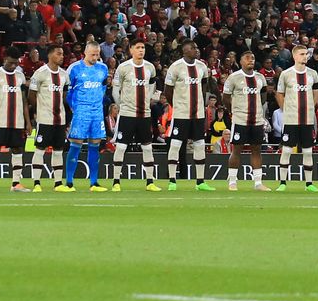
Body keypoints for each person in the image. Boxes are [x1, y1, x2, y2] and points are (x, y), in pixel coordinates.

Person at [109, 40, 160, 191]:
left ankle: (150, 182)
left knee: (147, 147)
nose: (141, 50)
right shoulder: (123, 68)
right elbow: (115, 89)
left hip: (144, 114)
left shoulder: (150, 67)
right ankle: (116, 182)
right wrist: (120, 106)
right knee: (121, 147)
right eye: (137, 47)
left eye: (143, 47)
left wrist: (148, 101)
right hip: (127, 114)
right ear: (131, 50)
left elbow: (152, 85)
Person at [162, 40, 213, 191]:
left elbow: (204, 85)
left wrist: (201, 103)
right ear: (185, 51)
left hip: (197, 114)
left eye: (197, 47)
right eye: (193, 48)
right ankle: (172, 180)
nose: (196, 50)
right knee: (175, 145)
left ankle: (200, 182)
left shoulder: (202, 66)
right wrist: (177, 106)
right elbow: (168, 91)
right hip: (181, 114)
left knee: (199, 145)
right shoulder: (176, 67)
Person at [64, 41, 110, 192]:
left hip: (97, 113)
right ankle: (69, 182)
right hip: (81, 112)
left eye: (97, 54)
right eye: (92, 54)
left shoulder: (103, 68)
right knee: (75, 144)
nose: (95, 57)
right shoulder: (75, 68)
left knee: (95, 146)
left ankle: (94, 183)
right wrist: (75, 109)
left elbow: (103, 88)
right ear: (85, 52)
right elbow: (68, 93)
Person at [276, 43, 318, 192]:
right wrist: (286, 109)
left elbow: (316, 92)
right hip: (291, 119)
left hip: (307, 119)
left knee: (308, 151)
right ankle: (282, 183)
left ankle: (309, 184)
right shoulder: (286, 74)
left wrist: (312, 106)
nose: (305, 56)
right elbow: (279, 94)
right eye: (302, 54)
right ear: (295, 56)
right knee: (287, 150)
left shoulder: (312, 74)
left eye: (306, 54)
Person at [0, 54, 31, 193]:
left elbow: (24, 101)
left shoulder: (20, 76)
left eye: (16, 63)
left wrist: (27, 122)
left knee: (17, 150)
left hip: (17, 122)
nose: (14, 66)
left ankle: (16, 183)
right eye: (11, 63)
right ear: (4, 60)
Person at [223, 50, 271, 191]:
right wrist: (234, 110)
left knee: (256, 150)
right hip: (240, 119)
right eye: (247, 58)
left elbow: (263, 96)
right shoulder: (234, 77)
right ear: (241, 61)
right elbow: (226, 98)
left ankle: (258, 183)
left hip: (257, 120)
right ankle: (232, 181)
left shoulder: (260, 77)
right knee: (237, 149)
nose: (251, 60)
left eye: (253, 58)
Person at [28, 44, 72, 192]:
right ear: (50, 55)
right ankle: (36, 183)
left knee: (58, 150)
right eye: (59, 54)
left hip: (60, 119)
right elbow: (31, 95)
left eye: (62, 54)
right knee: (40, 149)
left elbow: (65, 96)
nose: (62, 56)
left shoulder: (64, 75)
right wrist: (37, 111)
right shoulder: (39, 73)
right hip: (44, 118)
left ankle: (58, 183)